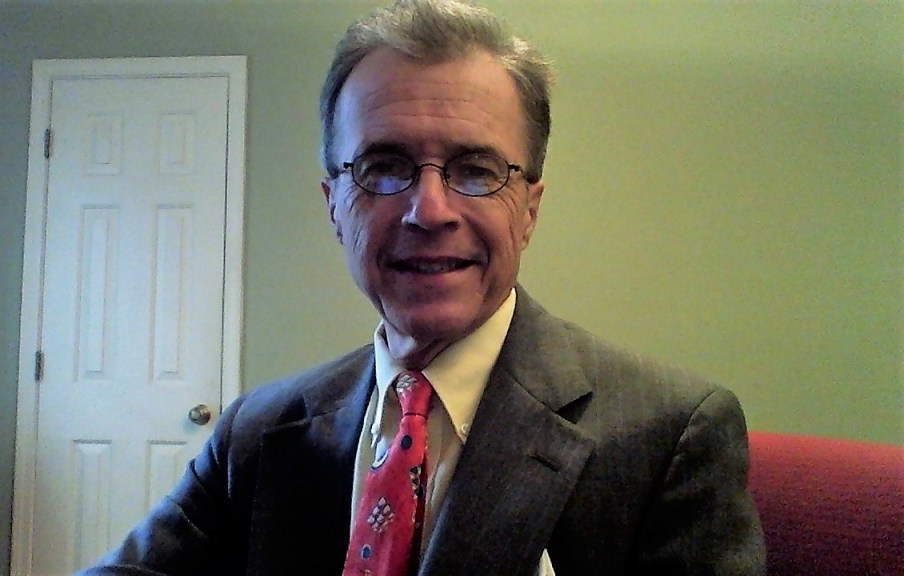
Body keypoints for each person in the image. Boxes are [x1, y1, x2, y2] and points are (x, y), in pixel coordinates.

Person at [80, 0, 765, 574]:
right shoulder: (257, 433)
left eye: (476, 170)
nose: (429, 211)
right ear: (333, 206)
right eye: (383, 166)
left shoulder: (672, 434)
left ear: (528, 208)